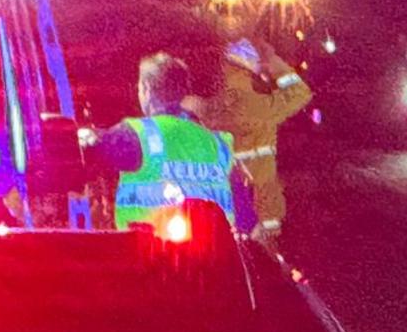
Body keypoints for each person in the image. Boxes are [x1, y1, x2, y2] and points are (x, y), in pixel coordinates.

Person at [83, 52, 249, 230]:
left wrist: (82, 135)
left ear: (146, 88)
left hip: (151, 252)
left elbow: (88, 150)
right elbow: (245, 212)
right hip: (217, 254)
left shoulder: (138, 135)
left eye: (139, 88)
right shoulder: (219, 145)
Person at [190, 34, 313, 244]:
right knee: (265, 270)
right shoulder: (261, 106)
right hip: (261, 213)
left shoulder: (210, 109)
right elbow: (301, 92)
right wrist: (273, 61)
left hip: (223, 208)